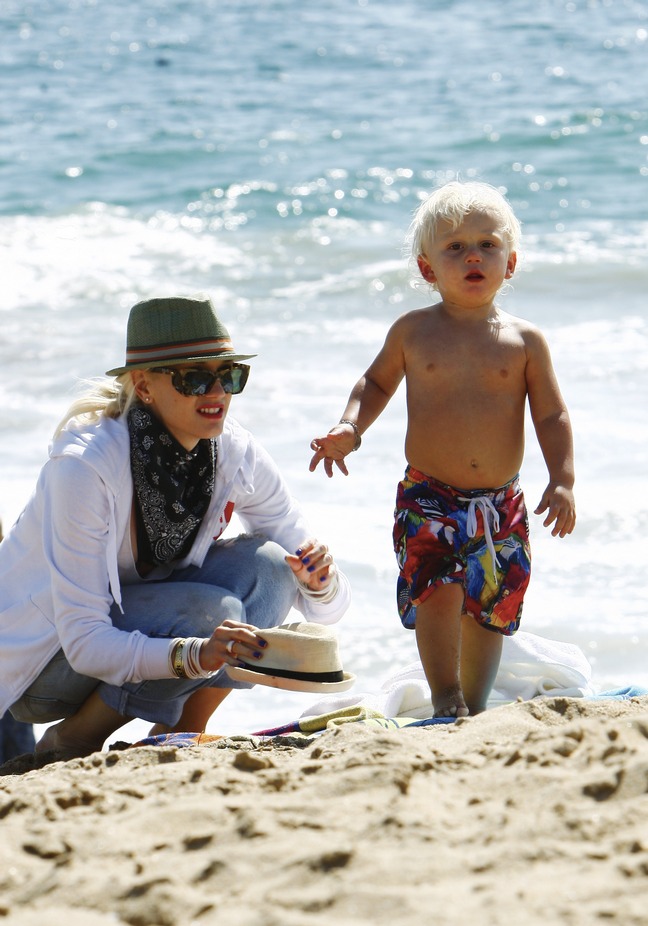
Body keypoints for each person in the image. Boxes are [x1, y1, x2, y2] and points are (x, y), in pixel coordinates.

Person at [0, 295, 350, 756]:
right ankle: (77, 736)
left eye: (229, 375)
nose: (217, 392)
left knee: (271, 567)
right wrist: (194, 653)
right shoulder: (84, 467)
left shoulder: (235, 452)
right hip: (42, 670)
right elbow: (84, 641)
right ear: (143, 385)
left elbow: (327, 609)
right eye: (195, 378)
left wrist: (319, 582)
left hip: (136, 635)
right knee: (208, 611)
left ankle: (183, 729)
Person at [309, 180, 575, 719]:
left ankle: (471, 706)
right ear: (429, 269)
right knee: (438, 591)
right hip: (429, 495)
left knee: (490, 609)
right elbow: (375, 384)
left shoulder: (526, 342)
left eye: (487, 244)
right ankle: (444, 695)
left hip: (501, 504)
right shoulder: (414, 331)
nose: (473, 255)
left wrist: (562, 479)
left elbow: (551, 413)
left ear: (511, 262)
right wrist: (349, 428)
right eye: (454, 247)